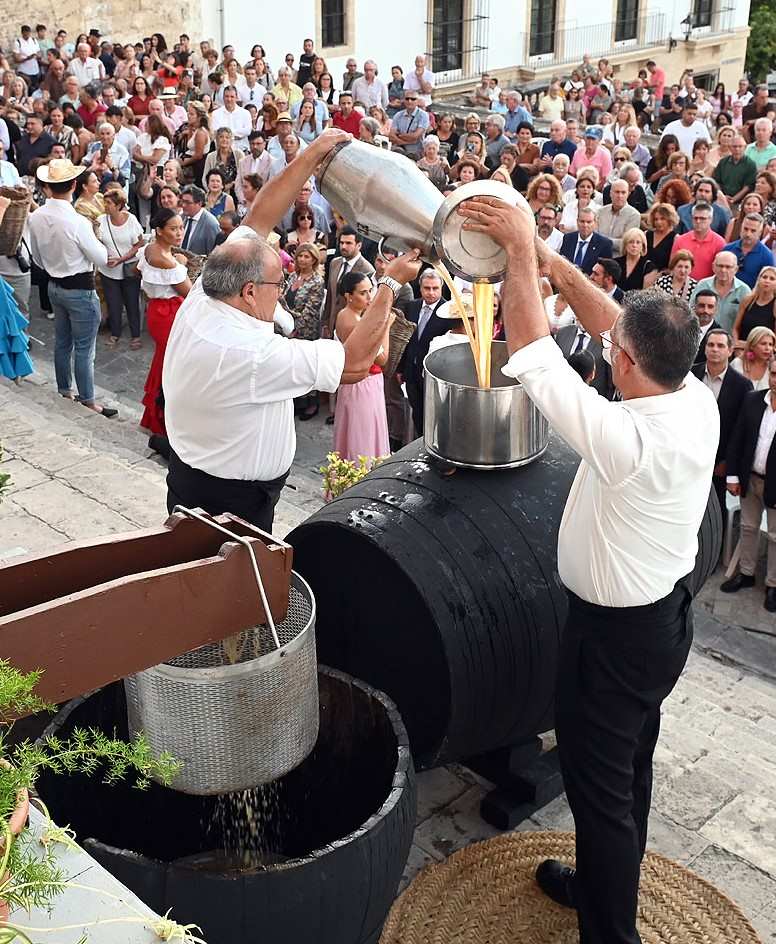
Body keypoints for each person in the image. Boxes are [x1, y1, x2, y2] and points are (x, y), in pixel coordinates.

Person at [458, 191, 717, 944]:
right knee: (628, 770)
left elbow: (534, 356)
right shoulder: (692, 395)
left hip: (617, 639)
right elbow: (614, 322)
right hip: (660, 622)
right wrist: (557, 266)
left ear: (629, 365)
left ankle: (612, 935)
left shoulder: (623, 438)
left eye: (615, 352)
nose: (608, 350)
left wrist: (516, 251)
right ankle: (607, 883)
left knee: (598, 791)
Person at [162, 127, 422, 531]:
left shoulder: (208, 289)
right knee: (231, 586)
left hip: (195, 476)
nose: (281, 290)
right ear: (249, 291)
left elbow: (259, 215)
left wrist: (312, 153)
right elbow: (353, 364)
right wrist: (389, 283)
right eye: (277, 284)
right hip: (230, 501)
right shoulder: (249, 353)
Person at [28, 159, 116, 416]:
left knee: (63, 343)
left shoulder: (37, 217)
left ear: (47, 187)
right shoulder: (78, 222)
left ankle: (65, 390)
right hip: (79, 289)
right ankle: (88, 400)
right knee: (84, 349)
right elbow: (101, 258)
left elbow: (37, 258)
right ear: (74, 185)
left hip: (54, 286)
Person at [723, 357, 776, 612]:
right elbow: (738, 438)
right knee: (748, 527)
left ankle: (773, 585)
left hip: (775, 485)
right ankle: (745, 573)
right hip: (750, 478)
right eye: (774, 374)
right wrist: (733, 476)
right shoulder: (754, 400)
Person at [136, 208, 190, 452]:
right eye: (173, 228)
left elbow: (136, 270)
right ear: (159, 230)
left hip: (159, 311)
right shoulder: (168, 262)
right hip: (167, 314)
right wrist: (181, 263)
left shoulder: (150, 249)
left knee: (162, 363)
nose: (179, 233)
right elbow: (189, 291)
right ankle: (161, 420)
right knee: (170, 366)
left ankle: (154, 418)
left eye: (181, 227)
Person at [691, 328, 753, 522]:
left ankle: (715, 552)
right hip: (689, 455)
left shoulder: (742, 386)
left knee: (715, 515)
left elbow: (740, 429)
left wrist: (728, 462)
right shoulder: (691, 374)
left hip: (720, 463)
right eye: (710, 345)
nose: (714, 349)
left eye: (720, 346)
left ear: (730, 350)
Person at [333, 270, 391, 461]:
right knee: (362, 440)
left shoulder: (345, 315)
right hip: (362, 386)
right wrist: (386, 326)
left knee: (356, 436)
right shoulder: (353, 321)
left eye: (370, 291)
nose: (369, 297)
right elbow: (382, 359)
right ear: (348, 296)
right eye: (363, 293)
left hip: (357, 386)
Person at [397, 268, 447, 436]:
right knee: (417, 414)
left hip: (433, 376)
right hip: (411, 373)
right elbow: (405, 340)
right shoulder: (412, 306)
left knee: (433, 418)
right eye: (427, 288)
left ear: (441, 288)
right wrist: (401, 369)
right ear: (420, 288)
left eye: (435, 288)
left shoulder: (448, 312)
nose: (431, 293)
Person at [97, 188, 143, 349]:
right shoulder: (101, 220)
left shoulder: (131, 220)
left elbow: (139, 244)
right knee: (113, 303)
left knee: (132, 302)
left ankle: (135, 335)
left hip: (129, 268)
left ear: (119, 205)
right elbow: (98, 242)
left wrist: (121, 259)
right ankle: (115, 333)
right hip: (108, 270)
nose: (106, 206)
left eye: (109, 203)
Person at [283, 241, 325, 419]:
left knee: (306, 367)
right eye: (300, 255)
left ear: (314, 259)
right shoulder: (292, 277)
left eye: (307, 256)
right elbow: (284, 301)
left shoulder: (317, 281)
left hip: (305, 331)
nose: (302, 259)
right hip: (286, 329)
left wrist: (296, 328)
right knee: (291, 366)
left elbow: (311, 310)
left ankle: (311, 402)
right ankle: (296, 401)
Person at [323, 226, 376, 339]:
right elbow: (330, 296)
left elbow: (366, 304)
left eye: (348, 243)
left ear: (359, 245)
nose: (343, 246)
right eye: (341, 243)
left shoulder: (367, 270)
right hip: (331, 326)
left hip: (351, 329)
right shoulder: (334, 263)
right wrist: (326, 322)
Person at [691, 251, 750, 333]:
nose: (723, 270)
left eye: (728, 267)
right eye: (720, 266)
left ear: (736, 269)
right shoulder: (702, 285)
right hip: (703, 338)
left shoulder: (744, 290)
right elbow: (691, 311)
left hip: (730, 341)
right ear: (713, 267)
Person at [671, 202, 726, 280]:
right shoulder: (681, 240)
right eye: (695, 218)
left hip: (706, 288)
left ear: (711, 219)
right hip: (682, 286)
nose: (698, 221)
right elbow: (672, 266)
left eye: (702, 218)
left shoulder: (720, 243)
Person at [724, 212, 774, 288]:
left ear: (760, 232)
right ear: (741, 228)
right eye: (745, 229)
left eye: (753, 231)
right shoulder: (727, 249)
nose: (748, 234)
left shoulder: (767, 256)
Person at [559, 206, 613, 275]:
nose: (585, 225)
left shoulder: (604, 244)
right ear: (577, 222)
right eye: (582, 221)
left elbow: (605, 272)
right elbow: (562, 262)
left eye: (589, 222)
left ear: (595, 223)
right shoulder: (568, 238)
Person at [595, 179, 641, 255]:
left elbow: (626, 243)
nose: (620, 196)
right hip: (597, 254)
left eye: (623, 192)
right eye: (617, 192)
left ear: (628, 194)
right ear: (610, 193)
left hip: (617, 258)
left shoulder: (634, 215)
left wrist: (601, 240)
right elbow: (593, 236)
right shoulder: (600, 212)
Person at [732, 266, 776, 343]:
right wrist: (736, 344)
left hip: (764, 350)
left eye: (772, 279)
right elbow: (735, 328)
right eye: (764, 277)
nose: (767, 281)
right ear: (759, 279)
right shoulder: (747, 300)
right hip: (741, 348)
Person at [713, 135, 757, 206]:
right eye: (734, 146)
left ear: (745, 147)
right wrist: (723, 197)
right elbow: (717, 181)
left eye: (740, 146)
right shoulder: (723, 162)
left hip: (741, 202)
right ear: (730, 148)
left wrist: (733, 199)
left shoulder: (750, 164)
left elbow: (748, 186)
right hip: (721, 199)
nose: (737, 149)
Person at [730, 325, 776, 390]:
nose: (767, 348)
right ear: (752, 345)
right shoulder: (737, 364)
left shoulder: (772, 368)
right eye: (763, 344)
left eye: (770, 344)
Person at [179, 184, 221, 254]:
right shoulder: (181, 217)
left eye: (188, 202)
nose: (183, 205)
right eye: (183, 201)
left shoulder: (211, 224)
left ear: (199, 203)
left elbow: (213, 253)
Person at [389, 91, 430, 159]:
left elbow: (415, 136)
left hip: (415, 153)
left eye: (413, 99)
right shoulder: (398, 115)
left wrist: (399, 135)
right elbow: (391, 136)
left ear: (417, 101)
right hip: (399, 151)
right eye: (407, 99)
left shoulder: (423, 115)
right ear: (403, 100)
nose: (409, 101)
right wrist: (406, 141)